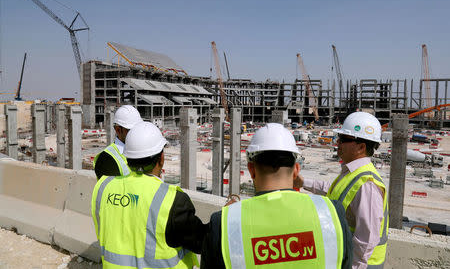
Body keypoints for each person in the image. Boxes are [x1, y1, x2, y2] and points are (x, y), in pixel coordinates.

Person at [201, 123, 353, 269]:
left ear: (251, 170)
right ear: (296, 170)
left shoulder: (223, 223)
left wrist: (229, 217)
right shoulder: (331, 213)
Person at [92, 121, 206, 268]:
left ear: (127, 158)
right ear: (161, 159)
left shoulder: (103, 187)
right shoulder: (172, 200)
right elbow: (201, 242)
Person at [297, 112, 389, 269]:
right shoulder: (353, 173)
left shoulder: (367, 184)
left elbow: (367, 239)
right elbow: (334, 192)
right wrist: (303, 182)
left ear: (361, 147)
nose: (337, 142)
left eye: (344, 140)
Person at [94, 105, 142, 179]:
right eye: (130, 130)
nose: (136, 133)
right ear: (118, 130)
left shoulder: (141, 151)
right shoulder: (106, 160)